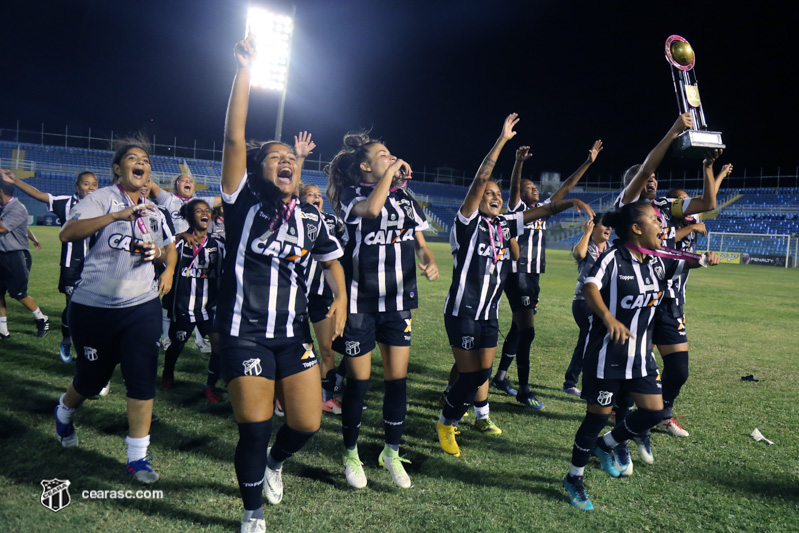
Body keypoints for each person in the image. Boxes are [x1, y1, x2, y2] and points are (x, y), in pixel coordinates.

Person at [220, 34, 347, 533]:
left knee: (307, 423)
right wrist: (245, 70)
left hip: (291, 335)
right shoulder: (241, 205)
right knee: (253, 429)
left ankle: (277, 463)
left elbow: (333, 262)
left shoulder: (311, 219)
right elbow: (234, 139)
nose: (285, 162)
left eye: (289, 160)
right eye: (274, 158)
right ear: (257, 170)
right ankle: (253, 516)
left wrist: (339, 296)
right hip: (243, 333)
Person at [436, 114, 594, 457]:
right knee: (468, 377)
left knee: (481, 374)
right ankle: (446, 421)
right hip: (462, 311)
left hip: (488, 314)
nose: (493, 196)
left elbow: (545, 211)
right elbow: (481, 177)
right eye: (488, 193)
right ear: (476, 199)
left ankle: (473, 413)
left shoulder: (504, 224)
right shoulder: (466, 223)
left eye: (496, 194)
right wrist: (503, 141)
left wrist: (572, 203)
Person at [562, 200, 719, 510]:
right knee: (595, 419)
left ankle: (607, 445)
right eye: (655, 220)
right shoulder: (612, 258)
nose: (662, 225)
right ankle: (574, 477)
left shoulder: (658, 260)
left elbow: (688, 260)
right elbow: (590, 287)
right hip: (607, 356)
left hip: (640, 357)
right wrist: (608, 318)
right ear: (636, 228)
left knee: (654, 412)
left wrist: (706, 259)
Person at [52, 137, 177, 485]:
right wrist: (117, 215)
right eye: (133, 158)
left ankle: (137, 457)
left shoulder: (153, 209)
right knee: (92, 382)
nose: (142, 163)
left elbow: (170, 246)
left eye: (146, 160)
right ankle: (64, 409)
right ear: (118, 168)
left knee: (141, 377)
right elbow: (67, 233)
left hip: (141, 305)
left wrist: (165, 266)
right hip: (94, 307)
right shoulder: (100, 198)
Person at [326, 122, 439, 490]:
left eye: (390, 155)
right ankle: (351, 453)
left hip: (398, 300)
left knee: (397, 382)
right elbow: (372, 211)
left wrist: (428, 257)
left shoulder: (405, 198)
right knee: (359, 383)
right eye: (381, 156)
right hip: (359, 300)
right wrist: (391, 172)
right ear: (364, 167)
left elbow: (417, 238)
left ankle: (391, 451)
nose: (390, 158)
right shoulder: (350, 194)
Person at [617, 122, 728, 444]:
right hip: (637, 300)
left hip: (669, 301)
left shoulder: (666, 207)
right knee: (635, 368)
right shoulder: (627, 209)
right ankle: (623, 426)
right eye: (643, 177)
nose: (650, 179)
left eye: (653, 177)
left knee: (678, 370)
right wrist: (673, 132)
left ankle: (662, 413)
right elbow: (648, 165)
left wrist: (708, 166)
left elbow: (707, 205)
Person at [492, 140, 603, 409]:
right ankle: (524, 389)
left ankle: (501, 377)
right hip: (518, 272)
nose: (536, 190)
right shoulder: (518, 209)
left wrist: (588, 162)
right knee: (527, 332)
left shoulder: (542, 211)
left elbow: (566, 188)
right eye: (530, 188)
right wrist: (518, 163)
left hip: (533, 276)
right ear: (520, 192)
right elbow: (515, 186)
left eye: (536, 188)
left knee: (518, 329)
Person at [7, 170, 99, 360]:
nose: (90, 188)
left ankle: (89, 347)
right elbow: (40, 195)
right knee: (72, 306)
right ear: (77, 186)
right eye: (86, 184)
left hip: (96, 265)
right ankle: (66, 340)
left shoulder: (103, 204)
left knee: (94, 309)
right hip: (71, 265)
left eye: (94, 184)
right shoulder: (65, 203)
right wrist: (15, 180)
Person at [160, 198, 224, 403]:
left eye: (207, 210)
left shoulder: (218, 244)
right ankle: (168, 373)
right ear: (189, 217)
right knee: (177, 345)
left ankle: (210, 387)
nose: (204, 213)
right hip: (183, 306)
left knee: (219, 346)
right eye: (198, 211)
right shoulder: (178, 243)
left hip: (210, 306)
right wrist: (179, 236)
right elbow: (163, 256)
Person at [149, 173, 219, 354]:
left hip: (197, 249)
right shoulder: (168, 198)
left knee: (195, 294)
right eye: (183, 180)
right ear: (176, 185)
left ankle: (198, 338)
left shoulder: (200, 202)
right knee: (169, 295)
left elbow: (225, 199)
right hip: (174, 250)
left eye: (191, 181)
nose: (188, 182)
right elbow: (148, 183)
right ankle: (165, 337)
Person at [300, 182, 347, 415]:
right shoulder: (293, 216)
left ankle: (326, 398)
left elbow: (344, 248)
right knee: (299, 349)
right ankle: (285, 396)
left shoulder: (333, 221)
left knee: (327, 349)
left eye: (318, 195)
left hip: (322, 294)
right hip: (296, 293)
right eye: (310, 194)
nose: (316, 198)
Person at [561, 212, 612, 397]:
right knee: (593, 343)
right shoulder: (587, 245)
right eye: (604, 225)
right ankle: (590, 387)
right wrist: (586, 233)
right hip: (584, 302)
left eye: (610, 226)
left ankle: (570, 383)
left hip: (601, 303)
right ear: (593, 226)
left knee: (586, 341)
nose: (608, 228)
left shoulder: (611, 249)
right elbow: (578, 254)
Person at [0, 170, 50, 340]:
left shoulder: (17, 207)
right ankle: (3, 330)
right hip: (2, 254)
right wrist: (34, 239)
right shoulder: (4, 207)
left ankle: (42, 318)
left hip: (16, 256)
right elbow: (22, 227)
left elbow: (3, 228)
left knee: (18, 293)